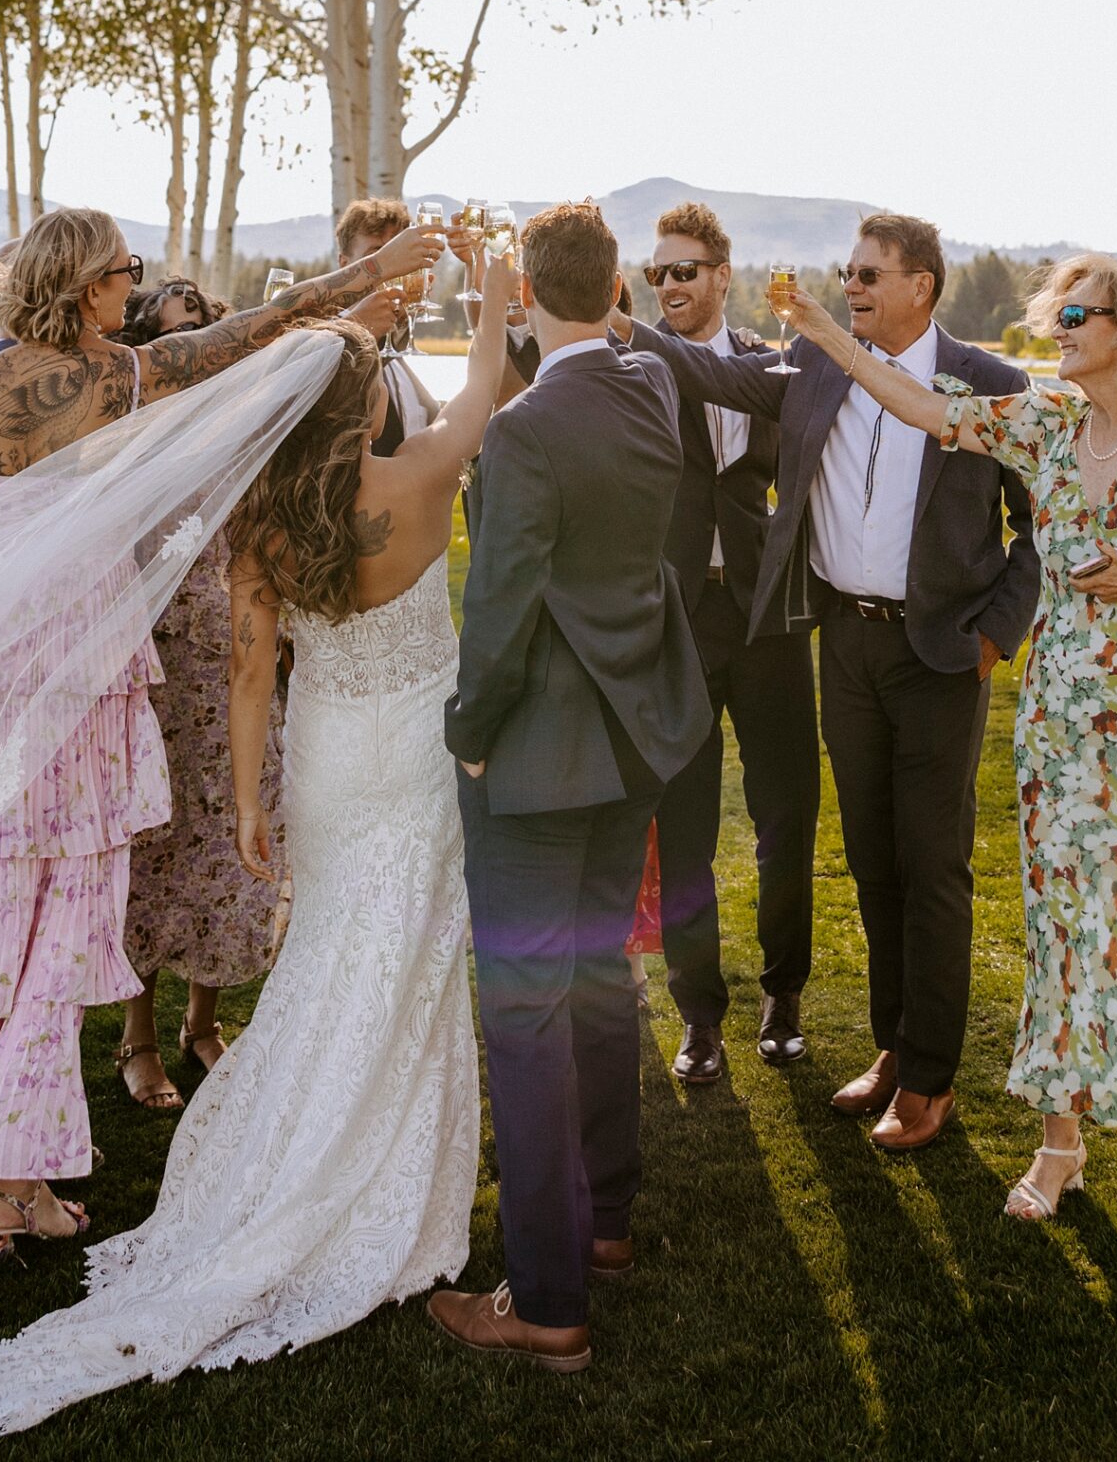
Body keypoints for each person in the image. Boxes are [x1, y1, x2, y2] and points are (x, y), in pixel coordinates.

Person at [0, 204, 443, 1257]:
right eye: (122, 273)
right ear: (88, 287)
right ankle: (9, 1187)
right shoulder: (130, 379)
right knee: (52, 920)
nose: (130, 288)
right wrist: (366, 276)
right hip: (76, 677)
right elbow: (259, 329)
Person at [0, 267, 517, 1435]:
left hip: (322, 758)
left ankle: (295, 1155)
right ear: (368, 408)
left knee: (333, 952)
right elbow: (486, 389)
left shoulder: (261, 523)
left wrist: (251, 800)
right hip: (413, 755)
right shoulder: (421, 478)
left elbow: (253, 675)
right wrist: (494, 296)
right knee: (405, 958)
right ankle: (382, 1175)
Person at [783, 255, 1117, 1225]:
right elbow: (920, 406)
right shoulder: (1044, 425)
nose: (1055, 331)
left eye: (1074, 317)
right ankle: (1061, 1145)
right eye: (1053, 316)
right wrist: (825, 331)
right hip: (1059, 721)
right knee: (1060, 927)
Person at [616, 215, 1039, 1152]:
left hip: (940, 656)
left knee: (933, 868)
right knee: (875, 862)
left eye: (868, 274)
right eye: (846, 272)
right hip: (843, 646)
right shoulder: (813, 366)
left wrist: (994, 636)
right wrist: (593, 305)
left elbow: (1039, 525)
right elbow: (707, 371)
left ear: (921, 285)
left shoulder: (991, 384)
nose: (849, 285)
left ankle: (930, 1081)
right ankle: (893, 1051)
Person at [429, 202, 714, 1375]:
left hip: (541, 757)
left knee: (528, 1015)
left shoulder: (526, 429)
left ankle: (544, 1298)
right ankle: (605, 1223)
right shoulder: (649, 388)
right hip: (635, 741)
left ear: (535, 296)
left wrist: (469, 730)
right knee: (602, 978)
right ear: (615, 290)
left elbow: (497, 610)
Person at [638, 200, 819, 1085]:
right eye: (654, 273)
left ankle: (785, 996)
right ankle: (698, 1014)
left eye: (683, 270)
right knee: (685, 826)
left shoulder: (769, 365)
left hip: (768, 614)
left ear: (721, 275)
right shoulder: (632, 362)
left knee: (787, 815)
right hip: (676, 618)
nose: (667, 285)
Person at [112, 277, 290, 1111]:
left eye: (199, 331)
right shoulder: (126, 441)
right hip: (155, 675)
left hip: (241, 667)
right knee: (153, 853)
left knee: (231, 847)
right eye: (170, 334)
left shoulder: (245, 433)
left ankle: (202, 1022)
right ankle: (136, 1037)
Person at [335, 198, 441, 454]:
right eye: (376, 257)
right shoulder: (327, 351)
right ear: (344, 265)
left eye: (397, 255)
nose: (393, 268)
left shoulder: (399, 355)